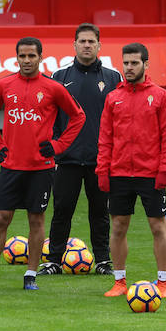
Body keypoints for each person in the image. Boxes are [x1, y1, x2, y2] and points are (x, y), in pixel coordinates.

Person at [0, 36, 86, 292]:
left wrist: (58, 147)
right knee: (1, 218)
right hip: (11, 166)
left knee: (36, 220)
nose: (27, 60)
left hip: (41, 168)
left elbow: (78, 117)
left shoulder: (53, 88)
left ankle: (30, 275)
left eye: (31, 56)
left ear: (40, 57)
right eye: (22, 56)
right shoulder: (3, 85)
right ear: (17, 58)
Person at [96, 43, 166, 299]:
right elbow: (105, 137)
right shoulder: (113, 97)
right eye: (126, 63)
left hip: (151, 173)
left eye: (134, 63)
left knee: (157, 227)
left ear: (146, 64)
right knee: (118, 227)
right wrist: (102, 170)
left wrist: (165, 169)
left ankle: (163, 282)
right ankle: (119, 281)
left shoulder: (161, 96)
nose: (129, 68)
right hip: (119, 173)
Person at [38, 23, 121, 276]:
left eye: (91, 42)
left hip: (101, 160)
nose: (87, 45)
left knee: (101, 213)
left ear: (99, 46)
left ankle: (104, 261)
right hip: (67, 159)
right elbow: (50, 116)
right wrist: (52, 148)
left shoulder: (113, 77)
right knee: (62, 211)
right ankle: (53, 261)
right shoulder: (60, 77)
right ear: (74, 45)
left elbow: (120, 117)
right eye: (82, 41)